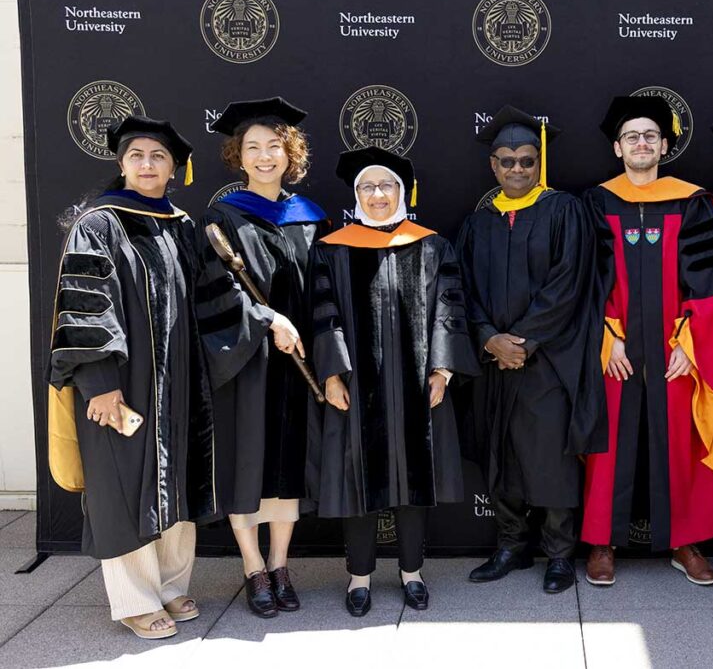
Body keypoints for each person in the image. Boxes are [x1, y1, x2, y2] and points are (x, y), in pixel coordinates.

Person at [47, 116, 214, 639]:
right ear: (121, 163)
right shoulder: (97, 225)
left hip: (180, 384)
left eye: (158, 156)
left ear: (174, 168)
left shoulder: (182, 225)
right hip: (123, 383)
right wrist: (100, 383)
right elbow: (83, 308)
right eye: (137, 155)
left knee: (178, 481)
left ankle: (169, 584)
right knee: (124, 485)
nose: (147, 164)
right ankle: (135, 598)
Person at [581, 96, 713, 587]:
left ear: (663, 146)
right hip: (615, 346)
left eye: (650, 136)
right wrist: (606, 336)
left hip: (678, 347)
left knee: (681, 439)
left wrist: (691, 342)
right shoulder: (596, 202)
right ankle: (600, 541)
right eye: (632, 136)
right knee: (606, 444)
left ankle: (686, 541)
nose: (641, 142)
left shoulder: (693, 201)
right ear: (618, 147)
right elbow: (586, 278)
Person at [307, 146, 478, 617]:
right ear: (356, 194)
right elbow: (323, 315)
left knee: (414, 480)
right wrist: (332, 374)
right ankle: (358, 578)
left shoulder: (431, 245)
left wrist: (442, 369)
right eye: (367, 187)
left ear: (401, 192)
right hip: (355, 387)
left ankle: (412, 573)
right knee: (356, 481)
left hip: (417, 385)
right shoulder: (333, 248)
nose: (377, 194)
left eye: (386, 186)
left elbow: (449, 306)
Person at [458, 106, 606, 594]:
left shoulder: (565, 211)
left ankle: (560, 554)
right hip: (494, 362)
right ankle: (510, 545)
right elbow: (463, 293)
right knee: (501, 454)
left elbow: (569, 285)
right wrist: (487, 338)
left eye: (526, 160)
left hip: (548, 361)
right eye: (507, 161)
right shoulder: (478, 224)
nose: (517, 169)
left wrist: (522, 342)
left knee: (551, 456)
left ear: (539, 163)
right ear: (492, 166)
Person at [197, 97, 328, 618]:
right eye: (253, 147)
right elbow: (215, 288)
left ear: (289, 151)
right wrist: (267, 320)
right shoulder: (223, 217)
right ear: (239, 156)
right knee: (246, 461)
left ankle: (280, 563)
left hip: (298, 363)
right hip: (247, 363)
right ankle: (252, 567)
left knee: (287, 463)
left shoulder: (309, 216)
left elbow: (325, 288)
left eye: (274, 146)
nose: (264, 156)